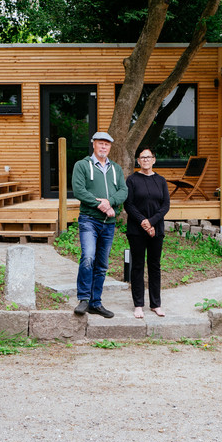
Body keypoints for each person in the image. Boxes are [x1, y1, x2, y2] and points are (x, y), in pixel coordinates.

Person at [71, 131, 128, 319]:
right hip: (89, 220)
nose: (104, 147)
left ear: (110, 147)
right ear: (93, 144)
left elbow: (123, 191)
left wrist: (109, 202)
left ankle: (96, 303)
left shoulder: (116, 169)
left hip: (109, 224)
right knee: (88, 257)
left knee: (102, 265)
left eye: (107, 144)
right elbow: (79, 190)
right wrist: (101, 205)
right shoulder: (82, 165)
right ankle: (84, 300)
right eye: (100, 143)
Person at [124, 147, 170, 319]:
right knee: (137, 266)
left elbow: (165, 205)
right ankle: (138, 305)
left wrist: (151, 222)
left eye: (148, 157)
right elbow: (129, 204)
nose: (145, 160)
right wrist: (143, 222)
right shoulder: (132, 180)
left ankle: (156, 304)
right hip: (136, 230)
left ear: (154, 160)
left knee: (154, 266)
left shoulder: (161, 180)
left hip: (156, 230)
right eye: (142, 157)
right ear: (138, 161)